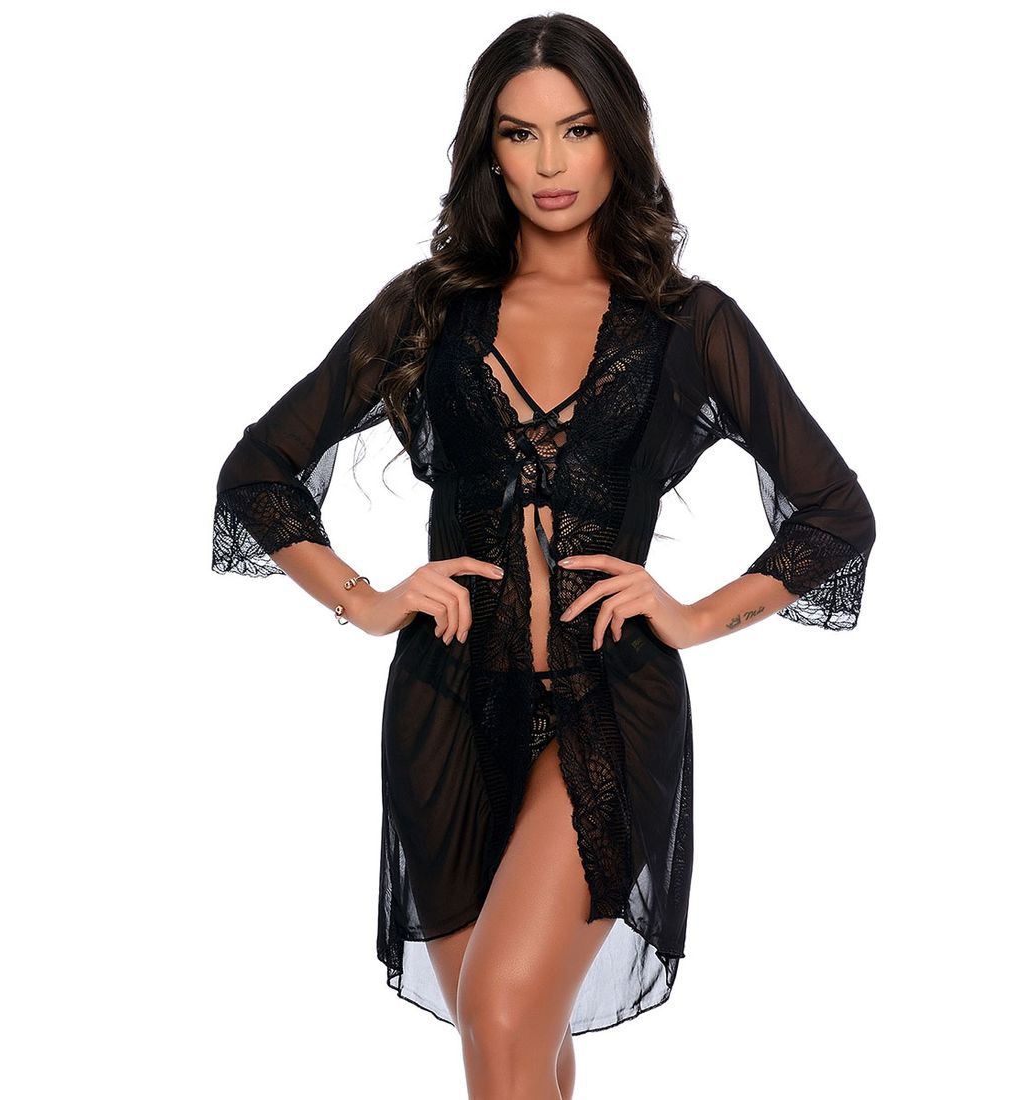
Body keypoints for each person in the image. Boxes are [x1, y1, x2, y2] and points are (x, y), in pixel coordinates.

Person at [212, 13, 876, 1099]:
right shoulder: (429, 309)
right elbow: (258, 471)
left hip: (606, 704)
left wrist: (693, 616)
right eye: (519, 135)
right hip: (442, 706)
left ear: (620, 138)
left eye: (577, 130)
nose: (551, 164)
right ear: (489, 152)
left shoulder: (689, 324)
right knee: (511, 1045)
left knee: (503, 1009)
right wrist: (365, 599)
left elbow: (835, 512)